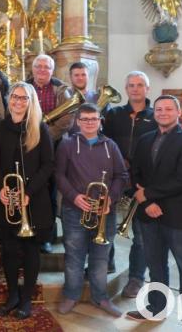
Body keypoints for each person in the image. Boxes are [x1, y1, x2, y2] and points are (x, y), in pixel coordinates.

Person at [125, 95, 182, 332]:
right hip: (149, 214)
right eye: (158, 109)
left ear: (178, 112)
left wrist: (147, 194)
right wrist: (146, 201)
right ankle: (156, 308)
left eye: (168, 109)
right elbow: (135, 172)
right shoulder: (144, 139)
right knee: (156, 266)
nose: (162, 112)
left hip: (178, 216)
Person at [55, 103, 128, 318]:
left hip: (104, 212)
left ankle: (101, 297)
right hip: (74, 210)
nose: (89, 122)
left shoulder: (110, 146)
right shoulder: (67, 144)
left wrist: (110, 199)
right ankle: (71, 295)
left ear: (100, 121)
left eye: (93, 119)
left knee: (100, 258)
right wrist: (74, 197)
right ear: (78, 121)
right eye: (85, 119)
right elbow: (59, 175)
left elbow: (121, 176)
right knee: (74, 256)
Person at [0, 82, 55, 320]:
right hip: (7, 199)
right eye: (15, 97)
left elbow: (49, 164)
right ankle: (12, 296)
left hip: (33, 200)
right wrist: (1, 188)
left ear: (31, 102)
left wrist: (28, 191)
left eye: (24, 98)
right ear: (9, 100)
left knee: (30, 250)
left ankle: (26, 298)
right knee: (8, 249)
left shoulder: (40, 128)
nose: (18, 102)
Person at [102, 71, 157, 298]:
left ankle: (136, 278)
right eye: (131, 85)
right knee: (106, 225)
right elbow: (104, 143)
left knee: (141, 234)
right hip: (116, 177)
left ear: (147, 89)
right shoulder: (114, 114)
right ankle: (107, 262)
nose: (135, 89)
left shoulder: (156, 116)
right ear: (126, 90)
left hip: (143, 181)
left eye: (140, 85)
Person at [27, 54, 73, 254]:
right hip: (27, 145)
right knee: (29, 188)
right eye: (39, 66)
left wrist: (44, 135)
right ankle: (27, 229)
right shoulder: (23, 87)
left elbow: (67, 120)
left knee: (50, 191)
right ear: (33, 68)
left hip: (52, 144)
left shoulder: (61, 90)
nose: (42, 70)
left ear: (52, 70)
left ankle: (47, 236)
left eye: (46, 67)